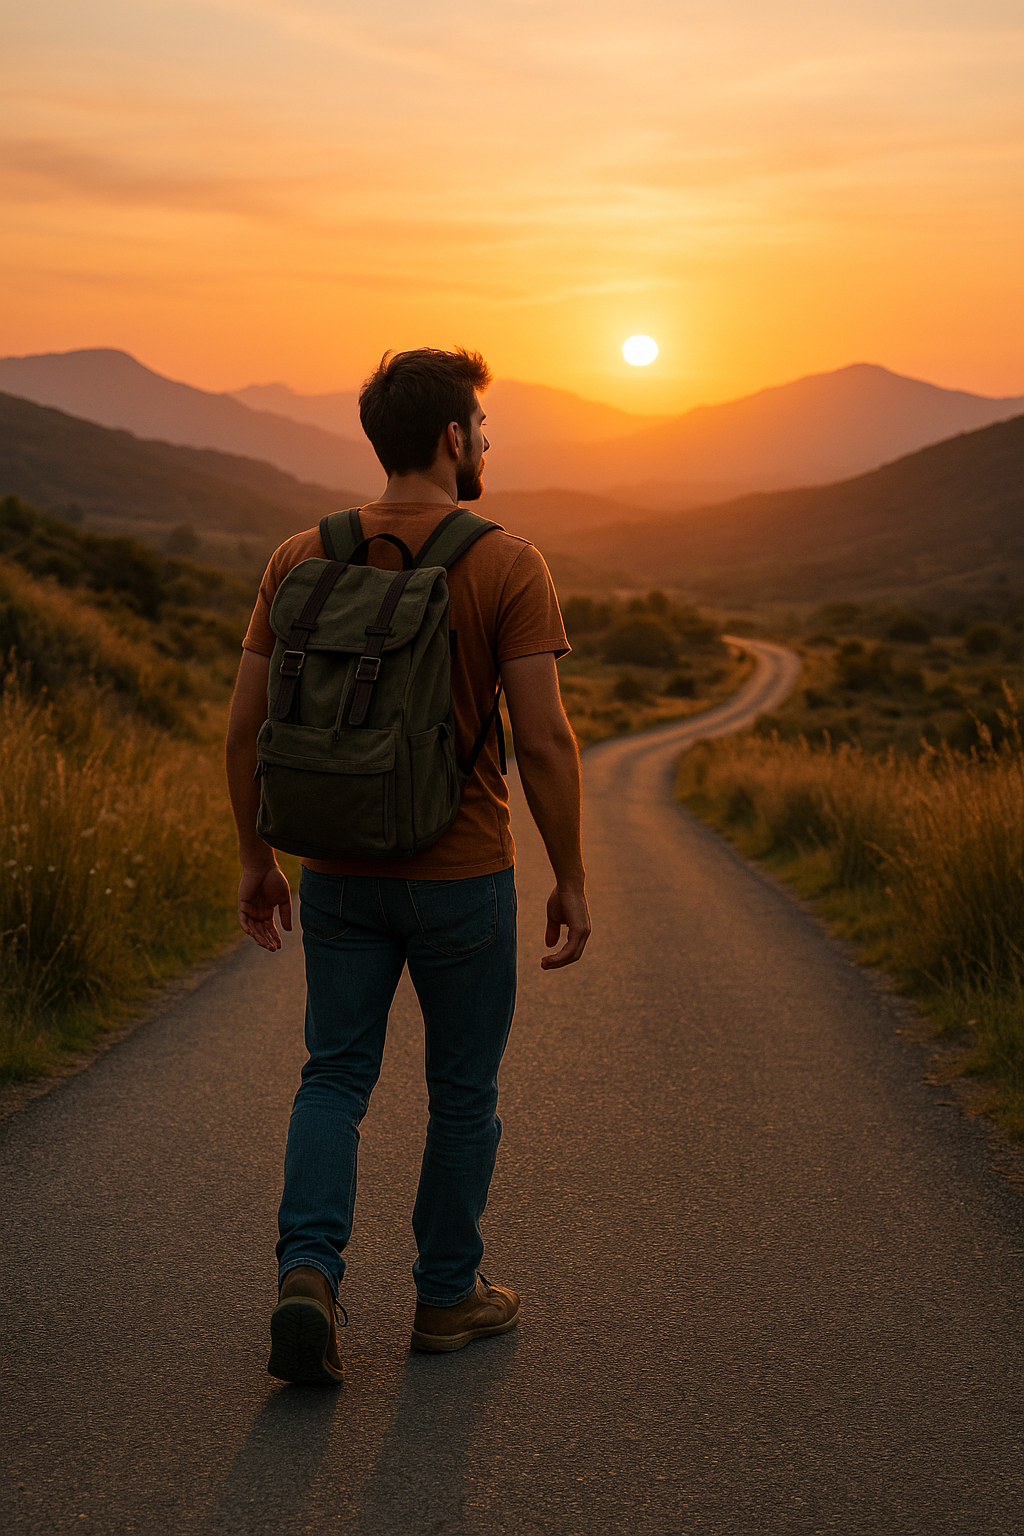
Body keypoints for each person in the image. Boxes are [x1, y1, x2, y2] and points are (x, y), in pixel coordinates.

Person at [225, 347, 591, 1384]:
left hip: (337, 872)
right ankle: (444, 1298)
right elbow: (544, 741)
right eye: (482, 428)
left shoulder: (299, 555)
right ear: (451, 438)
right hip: (461, 875)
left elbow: (245, 731)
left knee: (334, 1076)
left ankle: (308, 1278)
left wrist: (257, 857)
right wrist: (569, 875)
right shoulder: (507, 563)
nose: (487, 445)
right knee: (462, 1091)